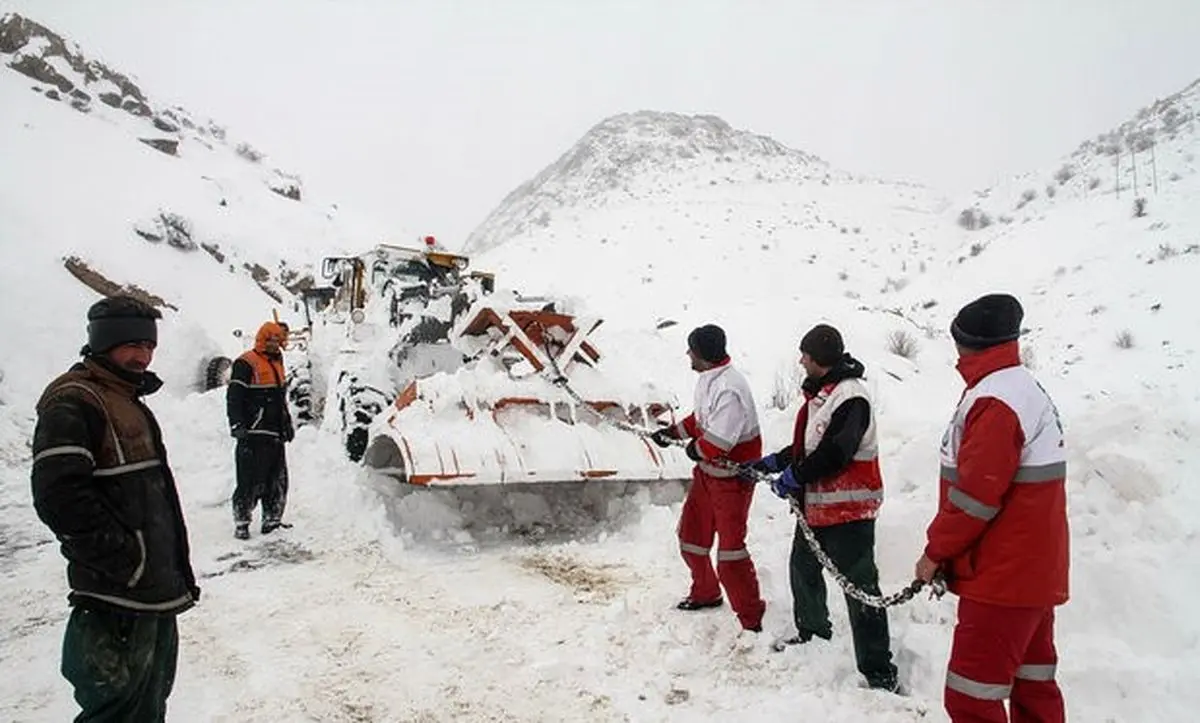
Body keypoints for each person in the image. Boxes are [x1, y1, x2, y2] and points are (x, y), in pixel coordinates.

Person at [30, 295, 199, 721]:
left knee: (146, 705)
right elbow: (60, 497)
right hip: (115, 599)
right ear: (105, 343)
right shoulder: (75, 401)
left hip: (149, 595)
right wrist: (126, 562)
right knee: (116, 709)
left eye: (149, 346)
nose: (143, 356)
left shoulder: (122, 397)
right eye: (132, 345)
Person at [914, 293, 1068, 722]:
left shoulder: (995, 400)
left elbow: (975, 497)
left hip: (1003, 575)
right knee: (1033, 689)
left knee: (971, 698)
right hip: (1030, 572)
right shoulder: (1019, 387)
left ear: (967, 345)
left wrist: (935, 552)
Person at [753, 323, 898, 691]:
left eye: (805, 354)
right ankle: (814, 632)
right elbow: (812, 446)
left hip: (849, 513)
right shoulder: (824, 395)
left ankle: (879, 671)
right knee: (802, 569)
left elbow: (836, 453)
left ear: (819, 358)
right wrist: (777, 461)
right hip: (818, 510)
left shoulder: (851, 397)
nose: (800, 360)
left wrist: (795, 476)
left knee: (860, 588)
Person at [650, 324, 766, 633]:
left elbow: (718, 442)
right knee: (691, 537)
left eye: (691, 349)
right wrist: (673, 433)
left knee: (731, 553)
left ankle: (751, 619)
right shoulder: (708, 379)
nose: (688, 353)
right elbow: (700, 419)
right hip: (707, 474)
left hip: (732, 480)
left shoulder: (730, 389)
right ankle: (706, 592)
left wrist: (695, 449)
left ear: (703, 353)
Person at [226, 320, 295, 540]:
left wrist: (287, 423)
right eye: (271, 340)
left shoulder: (278, 361)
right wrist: (237, 424)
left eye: (278, 340)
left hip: (275, 431)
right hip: (253, 433)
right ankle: (242, 522)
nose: (275, 344)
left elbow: (280, 398)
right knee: (249, 479)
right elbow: (234, 397)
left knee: (277, 479)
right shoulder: (246, 362)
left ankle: (272, 520)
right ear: (262, 339)